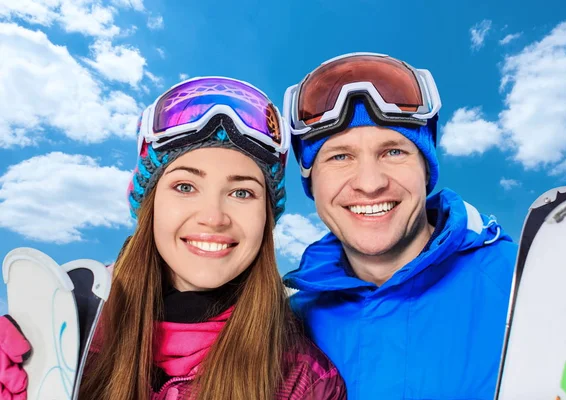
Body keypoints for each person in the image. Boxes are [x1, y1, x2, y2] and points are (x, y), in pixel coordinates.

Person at [0, 76, 346, 400]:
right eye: (185, 187)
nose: (213, 217)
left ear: (267, 218)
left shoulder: (304, 379)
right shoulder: (64, 327)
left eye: (241, 193)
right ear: (150, 205)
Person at [281, 52, 518, 400]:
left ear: (426, 170)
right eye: (340, 156)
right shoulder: (289, 325)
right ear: (312, 183)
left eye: (393, 151)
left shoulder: (524, 281)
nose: (370, 183)